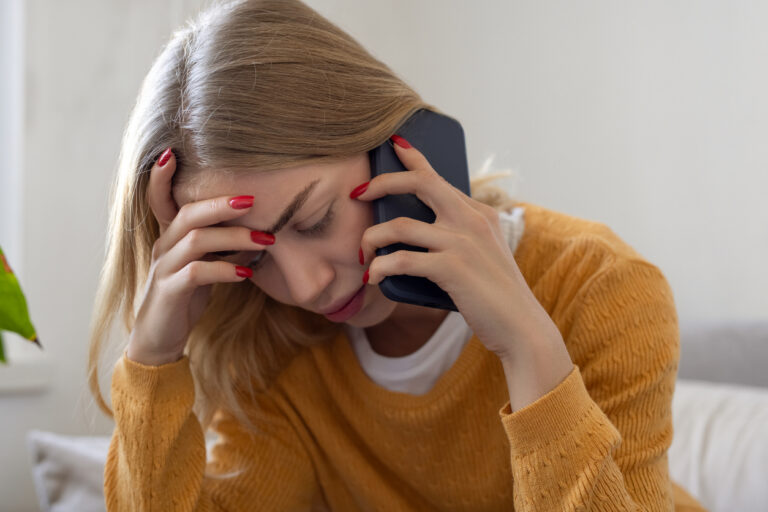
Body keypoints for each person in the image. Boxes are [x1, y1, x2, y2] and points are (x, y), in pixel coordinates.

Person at [87, 0, 708, 510]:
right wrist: (153, 356)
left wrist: (529, 347)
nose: (306, 288)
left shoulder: (600, 287)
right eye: (252, 259)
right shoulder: (279, 346)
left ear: (397, 141)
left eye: (314, 217)